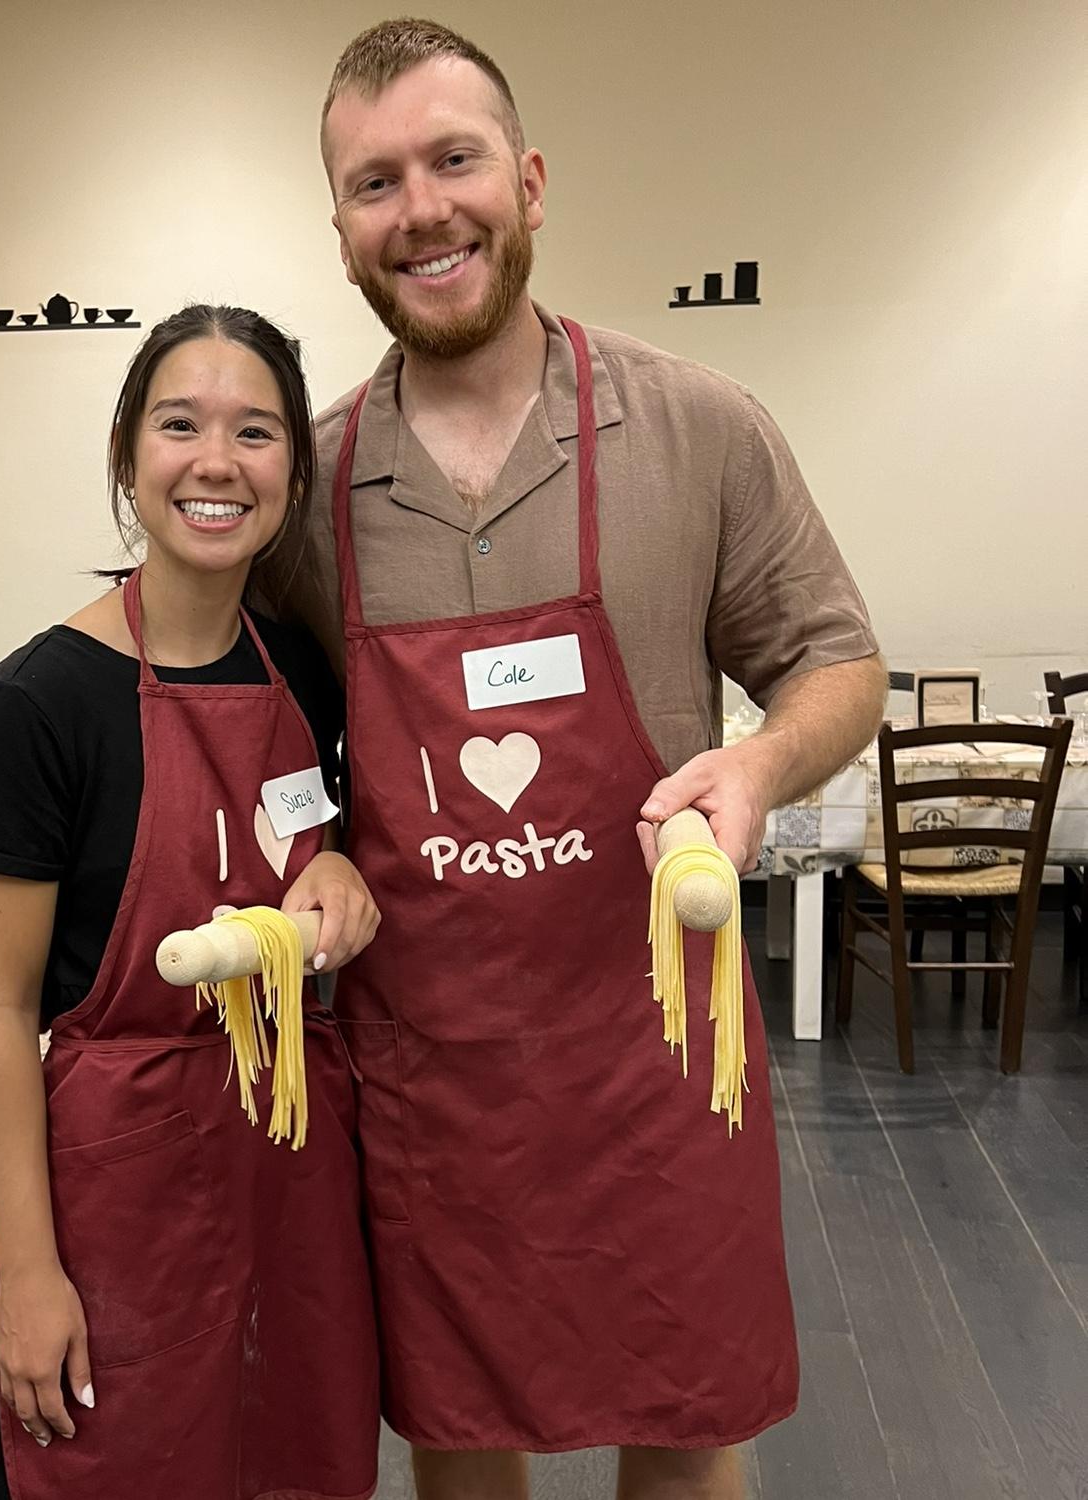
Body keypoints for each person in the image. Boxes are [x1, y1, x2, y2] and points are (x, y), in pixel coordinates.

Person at [263, 20, 888, 1500]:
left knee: (683, 1423)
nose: (421, 208)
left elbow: (837, 661)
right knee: (464, 1438)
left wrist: (757, 769)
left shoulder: (697, 430)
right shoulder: (317, 490)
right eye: (374, 181)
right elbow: (272, 748)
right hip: (437, 1081)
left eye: (454, 159)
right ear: (343, 229)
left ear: (530, 181)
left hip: (660, 1061)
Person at [0, 304, 382, 1500]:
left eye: (258, 431)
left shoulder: (305, 674)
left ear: (294, 466)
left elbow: (318, 853)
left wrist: (335, 872)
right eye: (181, 424)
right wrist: (25, 1275)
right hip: (118, 1196)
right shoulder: (32, 711)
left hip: (285, 1177)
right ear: (130, 452)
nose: (218, 463)